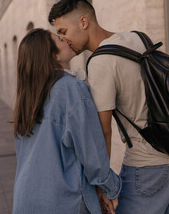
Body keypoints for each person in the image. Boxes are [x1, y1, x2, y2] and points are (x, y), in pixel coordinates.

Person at [48, 0, 169, 214]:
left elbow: (104, 130)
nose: (64, 39)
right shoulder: (137, 38)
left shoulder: (100, 62)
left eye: (63, 31)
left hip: (147, 169)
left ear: (83, 22)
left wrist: (103, 185)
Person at [12, 28, 121, 214]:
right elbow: (92, 152)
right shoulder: (71, 89)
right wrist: (110, 188)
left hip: (25, 199)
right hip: (61, 201)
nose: (66, 39)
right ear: (53, 56)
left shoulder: (27, 98)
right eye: (59, 39)